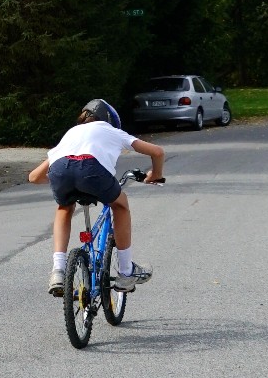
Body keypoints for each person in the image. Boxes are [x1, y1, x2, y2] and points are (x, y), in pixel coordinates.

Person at [27, 98, 165, 297]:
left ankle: (58, 270)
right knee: (121, 206)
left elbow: (33, 177)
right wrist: (155, 175)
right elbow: (158, 152)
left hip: (60, 169)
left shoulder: (71, 134)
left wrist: (64, 178)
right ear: (109, 120)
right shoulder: (112, 131)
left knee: (64, 207)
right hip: (92, 170)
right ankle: (126, 272)